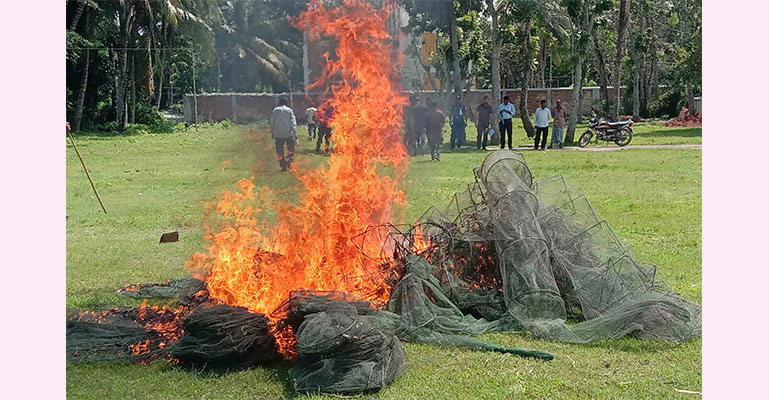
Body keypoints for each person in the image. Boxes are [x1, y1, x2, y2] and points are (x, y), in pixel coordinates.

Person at [270, 97, 298, 172]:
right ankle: (289, 161)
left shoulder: (275, 110)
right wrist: (295, 134)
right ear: (287, 103)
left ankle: (283, 164)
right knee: (290, 149)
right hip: (289, 133)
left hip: (278, 133)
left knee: (279, 150)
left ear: (279, 102)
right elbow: (293, 123)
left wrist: (272, 132)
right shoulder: (289, 110)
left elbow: (272, 122)